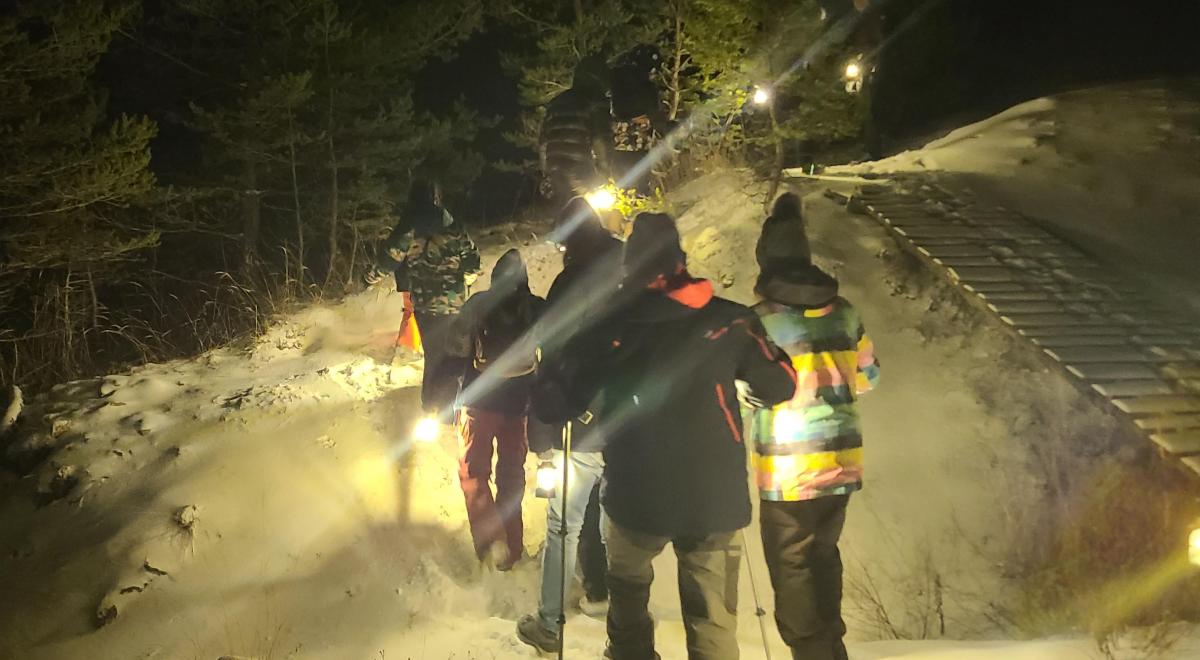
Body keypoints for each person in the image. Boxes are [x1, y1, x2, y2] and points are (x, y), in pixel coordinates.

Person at [575, 213, 797, 659]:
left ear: (628, 267)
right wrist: (744, 388)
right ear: (680, 260)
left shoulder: (606, 327)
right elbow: (782, 383)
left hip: (633, 492)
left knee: (627, 595)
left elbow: (571, 393)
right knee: (712, 620)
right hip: (712, 497)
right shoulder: (730, 322)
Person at [748, 193, 880, 660]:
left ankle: (814, 653)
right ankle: (831, 648)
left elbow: (747, 390)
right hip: (843, 462)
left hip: (789, 471)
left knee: (792, 568)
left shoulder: (761, 321)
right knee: (823, 558)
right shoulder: (844, 311)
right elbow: (869, 377)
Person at [517, 198, 624, 653]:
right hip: (627, 418)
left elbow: (552, 349)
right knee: (616, 521)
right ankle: (621, 614)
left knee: (564, 522)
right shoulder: (630, 271)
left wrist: (545, 415)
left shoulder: (570, 282)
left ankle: (549, 621)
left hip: (580, 421)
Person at [446, 249, 543, 570]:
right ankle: (513, 547)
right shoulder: (535, 307)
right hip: (519, 404)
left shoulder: (478, 304)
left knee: (473, 473)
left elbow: (456, 346)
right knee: (512, 473)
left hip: (479, 401)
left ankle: (491, 545)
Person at [398, 181, 481, 417]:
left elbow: (390, 257)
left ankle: (430, 407)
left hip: (424, 305)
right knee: (455, 354)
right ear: (437, 198)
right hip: (454, 304)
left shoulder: (408, 228)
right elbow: (474, 261)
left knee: (433, 354)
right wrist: (464, 282)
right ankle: (452, 408)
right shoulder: (453, 228)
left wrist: (369, 277)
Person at [540, 55, 613, 206]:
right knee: (588, 214)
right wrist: (604, 171)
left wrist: (546, 172)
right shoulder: (595, 100)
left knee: (565, 212)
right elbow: (601, 138)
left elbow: (543, 143)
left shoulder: (555, 103)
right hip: (580, 170)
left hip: (555, 168)